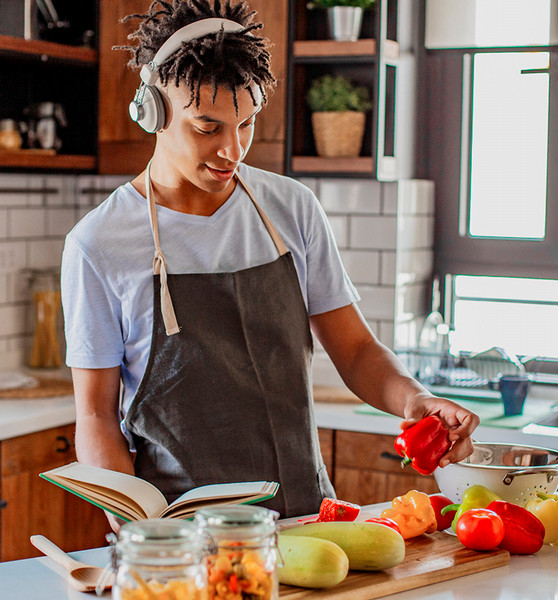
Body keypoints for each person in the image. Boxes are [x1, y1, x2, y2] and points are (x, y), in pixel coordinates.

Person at [61, 0, 479, 529]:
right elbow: (96, 415)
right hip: (183, 534)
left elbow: (353, 349)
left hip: (308, 520)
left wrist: (415, 399)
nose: (231, 149)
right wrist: (142, 528)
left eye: (247, 123)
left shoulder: (291, 208)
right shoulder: (98, 244)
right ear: (153, 113)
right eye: (207, 127)